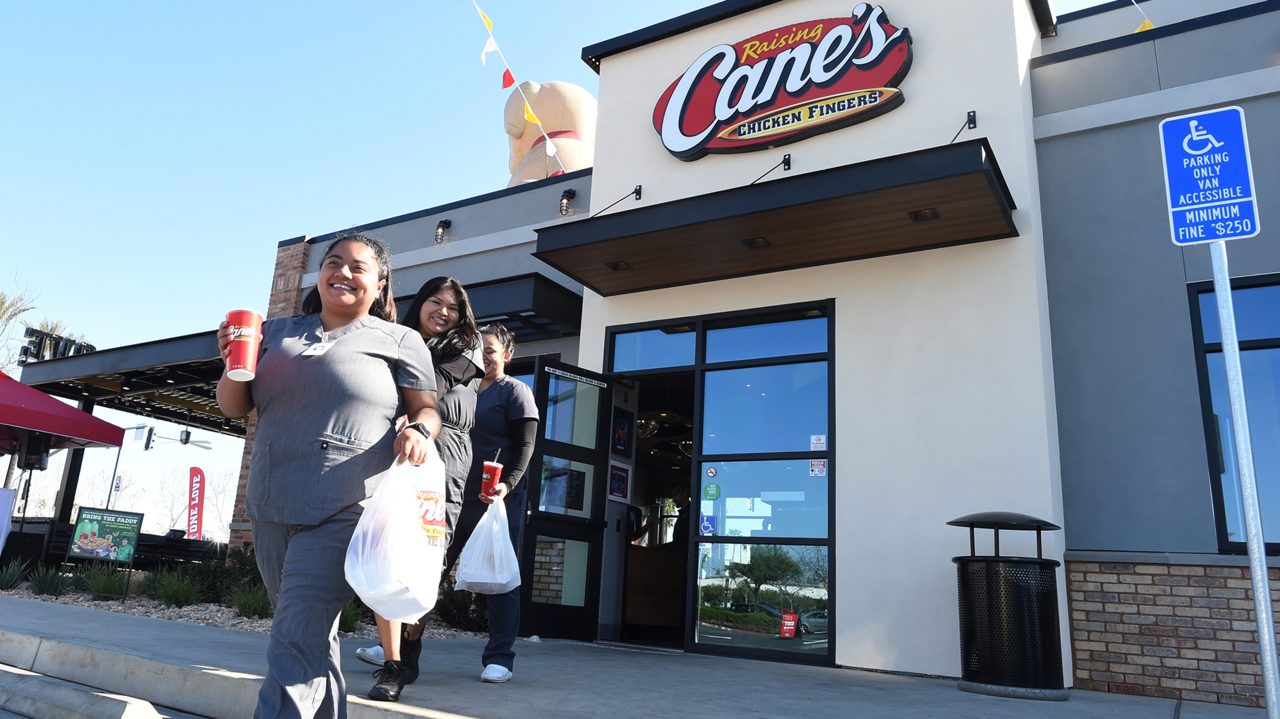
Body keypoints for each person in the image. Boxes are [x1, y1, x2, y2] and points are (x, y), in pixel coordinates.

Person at [216, 232, 440, 718]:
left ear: (380, 284)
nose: (342, 272)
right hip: (273, 501)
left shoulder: (401, 340)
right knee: (310, 635)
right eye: (333, 262)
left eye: (358, 267)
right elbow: (236, 408)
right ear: (318, 275)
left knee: (295, 636)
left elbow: (427, 408)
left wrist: (420, 430)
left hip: (345, 506)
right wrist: (230, 363)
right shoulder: (275, 332)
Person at [357, 276, 482, 701]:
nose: (443, 312)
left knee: (429, 556)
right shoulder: (397, 337)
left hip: (443, 455)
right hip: (392, 452)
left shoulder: (468, 346)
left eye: (452, 307)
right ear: (420, 304)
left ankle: (411, 643)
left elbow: (435, 388)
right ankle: (392, 663)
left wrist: (414, 416)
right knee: (385, 549)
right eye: (435, 302)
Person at [445, 323, 539, 684]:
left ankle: (500, 658)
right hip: (452, 495)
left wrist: (507, 486)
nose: (482, 355)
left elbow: (525, 447)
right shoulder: (462, 389)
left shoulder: (515, 391)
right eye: (476, 348)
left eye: (490, 349)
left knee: (500, 580)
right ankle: (398, 645)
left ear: (507, 355)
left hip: (494, 501)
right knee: (427, 568)